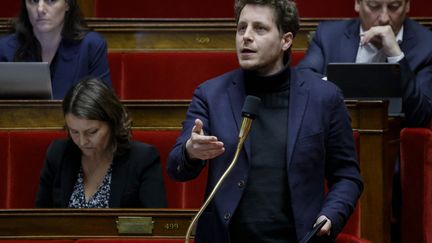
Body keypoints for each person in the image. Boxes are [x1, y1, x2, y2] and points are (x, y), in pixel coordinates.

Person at [167, 0, 363, 242]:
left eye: (260, 28)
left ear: (286, 40)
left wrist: (331, 215)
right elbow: (176, 168)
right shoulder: (211, 94)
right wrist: (190, 151)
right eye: (241, 28)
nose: (246, 37)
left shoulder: (324, 98)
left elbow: (347, 176)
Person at [297, 0, 432, 128]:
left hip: (393, 144)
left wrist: (396, 55)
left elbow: (420, 117)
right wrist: (338, 82)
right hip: (333, 137)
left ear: (407, 5)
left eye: (394, 6)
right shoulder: (328, 36)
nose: (384, 18)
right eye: (374, 6)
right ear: (357, 3)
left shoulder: (427, 45)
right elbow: (302, 83)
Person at [36, 78, 167, 208]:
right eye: (74, 132)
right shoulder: (58, 154)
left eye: (92, 132)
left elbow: (156, 222)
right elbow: (41, 219)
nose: (82, 142)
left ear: (112, 123)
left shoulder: (142, 159)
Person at [0, 0, 111, 99]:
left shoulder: (90, 46)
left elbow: (102, 106)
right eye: (33, 1)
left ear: (67, 4)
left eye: (51, 1)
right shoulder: (5, 48)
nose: (40, 9)